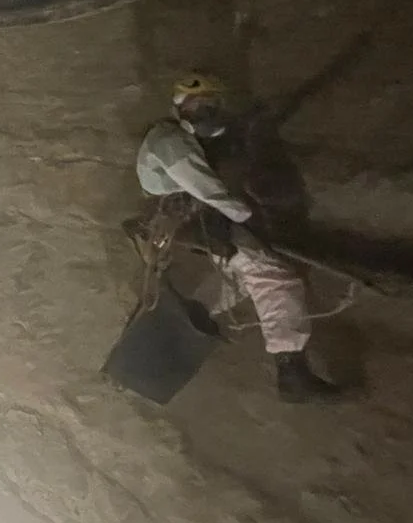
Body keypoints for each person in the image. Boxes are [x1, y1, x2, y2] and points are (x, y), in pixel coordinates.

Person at [135, 73, 343, 402]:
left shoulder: (190, 139)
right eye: (195, 104)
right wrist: (249, 218)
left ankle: (167, 331)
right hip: (189, 219)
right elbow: (208, 190)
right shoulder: (169, 140)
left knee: (241, 278)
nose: (204, 110)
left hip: (198, 218)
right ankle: (292, 373)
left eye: (210, 104)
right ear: (179, 108)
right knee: (275, 277)